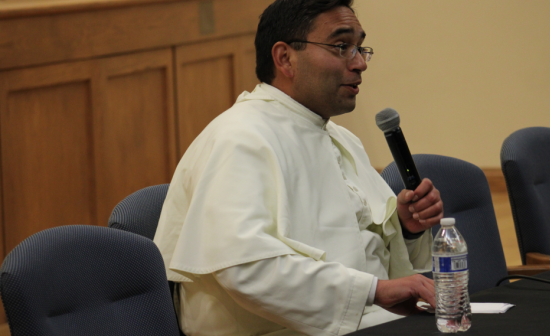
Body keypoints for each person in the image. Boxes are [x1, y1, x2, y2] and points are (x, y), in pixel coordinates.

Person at [154, 0, 443, 335]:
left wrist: (406, 228)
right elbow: (245, 268)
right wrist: (372, 291)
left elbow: (366, 253)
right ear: (284, 58)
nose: (360, 62)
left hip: (370, 321)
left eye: (360, 47)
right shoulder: (240, 139)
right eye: (341, 46)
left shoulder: (340, 138)